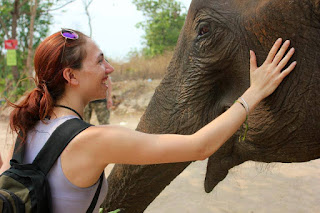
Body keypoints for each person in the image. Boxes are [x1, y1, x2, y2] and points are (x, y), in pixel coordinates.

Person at [0, 29, 296, 213]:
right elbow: (199, 147)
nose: (110, 68)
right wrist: (255, 91)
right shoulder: (92, 140)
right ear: (71, 76)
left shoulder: (29, 126)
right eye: (100, 60)